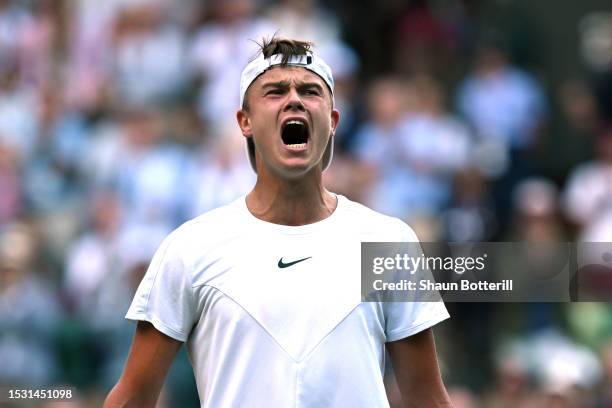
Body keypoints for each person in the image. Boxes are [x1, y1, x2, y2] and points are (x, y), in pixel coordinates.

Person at [104, 37, 452, 407]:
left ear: (333, 121)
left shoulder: (387, 241)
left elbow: (427, 399)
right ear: (245, 121)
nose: (294, 99)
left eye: (310, 90)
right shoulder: (191, 248)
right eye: (274, 91)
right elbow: (131, 399)